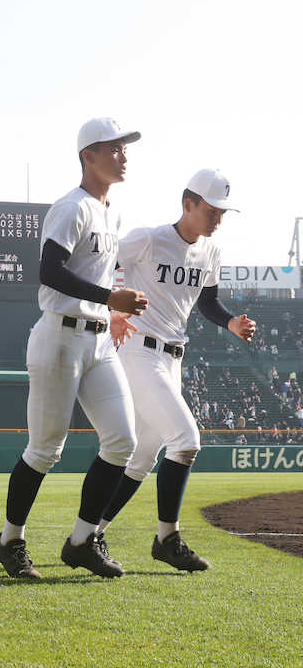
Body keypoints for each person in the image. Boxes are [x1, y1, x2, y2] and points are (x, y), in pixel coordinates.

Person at [0, 117, 148, 580]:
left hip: (97, 338)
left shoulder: (111, 212)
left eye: (124, 148)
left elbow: (89, 279)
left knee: (123, 441)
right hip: (59, 337)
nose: (123, 155)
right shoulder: (71, 207)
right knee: (44, 450)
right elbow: (50, 271)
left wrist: (108, 312)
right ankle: (9, 540)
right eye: (113, 148)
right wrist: (109, 298)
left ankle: (82, 540)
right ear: (88, 156)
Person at [99, 169, 256, 570]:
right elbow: (100, 261)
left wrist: (230, 323)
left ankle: (88, 534)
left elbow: (207, 303)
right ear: (189, 203)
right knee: (186, 439)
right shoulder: (149, 238)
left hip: (173, 358)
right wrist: (113, 308)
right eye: (212, 209)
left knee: (142, 455)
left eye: (223, 211)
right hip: (138, 350)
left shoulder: (211, 251)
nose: (218, 218)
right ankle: (167, 537)